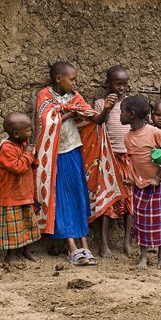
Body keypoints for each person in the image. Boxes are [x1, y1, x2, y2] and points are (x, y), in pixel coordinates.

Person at [35, 61, 119, 266]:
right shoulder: (43, 96)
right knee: (62, 199)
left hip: (73, 151)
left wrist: (106, 109)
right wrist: (71, 112)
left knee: (78, 197)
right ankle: (72, 248)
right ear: (58, 79)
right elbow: (47, 123)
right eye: (71, 79)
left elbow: (96, 120)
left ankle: (85, 245)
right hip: (56, 156)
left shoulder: (76, 98)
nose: (74, 83)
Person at [120, 95, 161, 270]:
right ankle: (143, 256)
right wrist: (132, 179)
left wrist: (158, 177)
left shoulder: (154, 132)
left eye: (121, 112)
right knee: (142, 221)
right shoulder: (128, 138)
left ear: (130, 114)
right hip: (142, 184)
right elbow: (133, 161)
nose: (119, 116)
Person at [93, 66, 134, 258]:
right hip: (109, 159)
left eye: (125, 84)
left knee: (129, 202)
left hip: (129, 159)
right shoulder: (101, 103)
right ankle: (103, 243)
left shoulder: (131, 104)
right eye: (118, 84)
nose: (122, 88)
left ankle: (127, 242)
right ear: (108, 84)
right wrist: (108, 108)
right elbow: (98, 123)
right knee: (106, 201)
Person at [0, 112, 41, 266]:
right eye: (28, 130)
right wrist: (29, 153)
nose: (30, 133)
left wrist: (32, 154)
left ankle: (27, 251)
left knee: (27, 224)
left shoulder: (23, 144)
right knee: (13, 228)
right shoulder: (6, 148)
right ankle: (11, 256)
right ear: (16, 133)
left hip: (25, 192)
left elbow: (32, 164)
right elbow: (19, 167)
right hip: (12, 196)